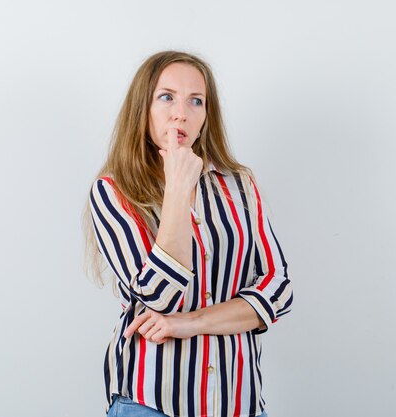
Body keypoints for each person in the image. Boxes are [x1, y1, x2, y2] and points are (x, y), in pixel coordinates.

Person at [83, 50, 293, 417]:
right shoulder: (113, 190)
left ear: (206, 117)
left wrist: (189, 323)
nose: (181, 112)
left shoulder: (239, 184)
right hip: (152, 401)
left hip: (237, 402)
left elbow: (278, 289)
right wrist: (178, 188)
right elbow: (158, 296)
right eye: (167, 97)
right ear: (142, 108)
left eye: (196, 101)